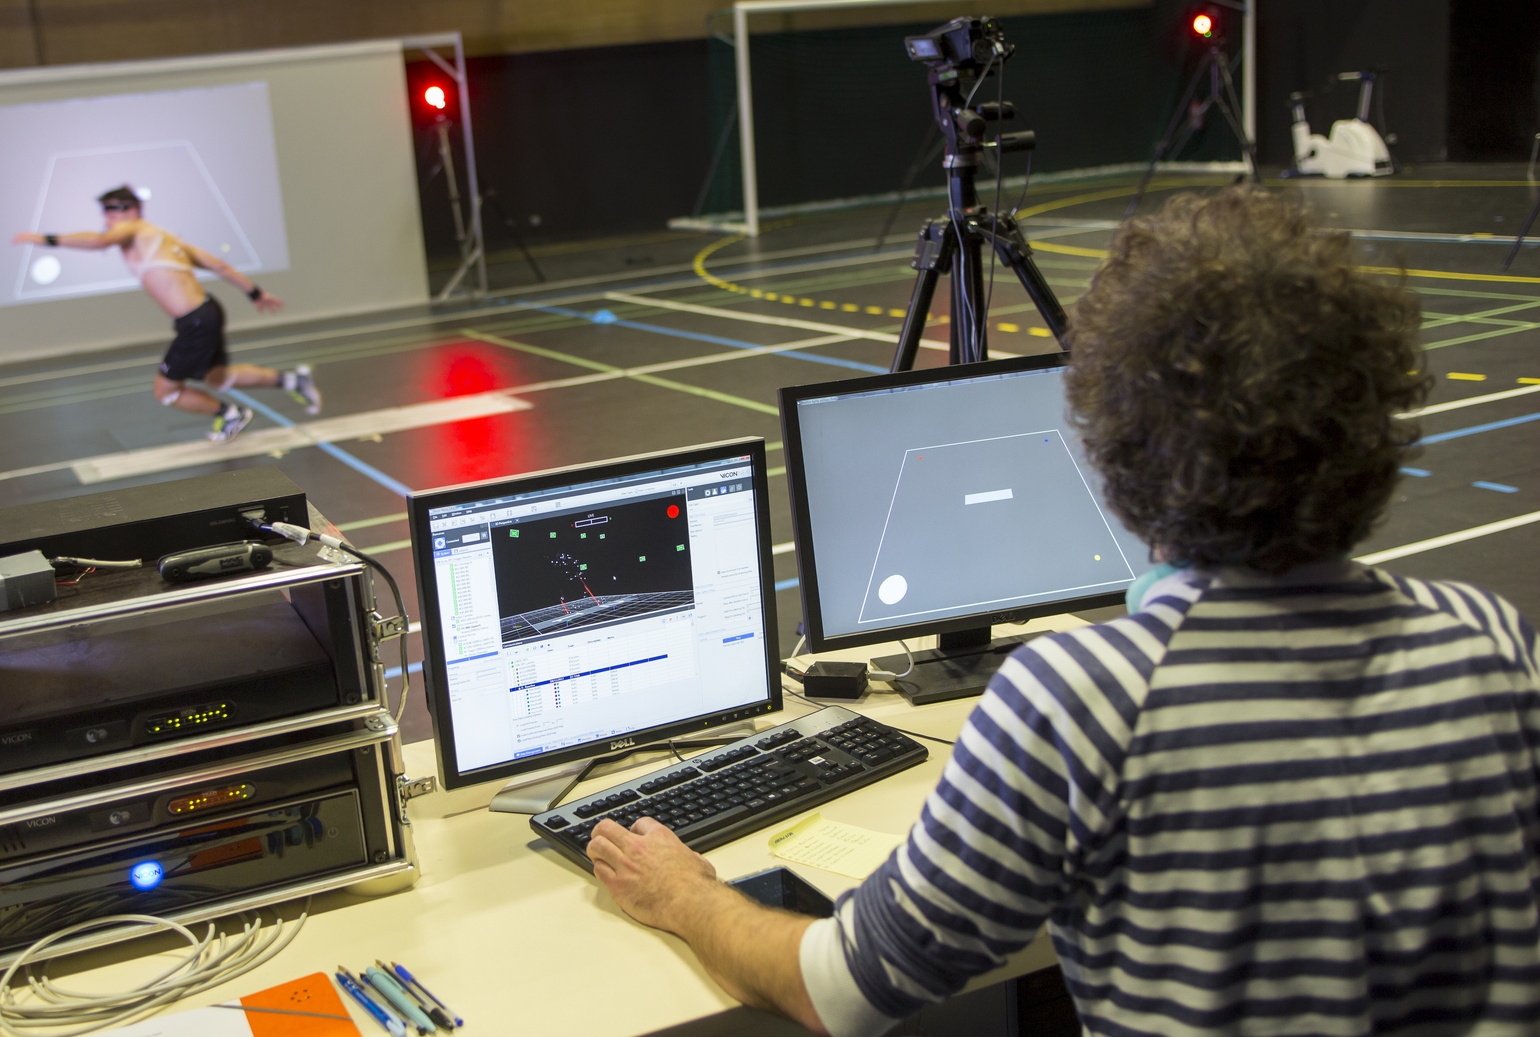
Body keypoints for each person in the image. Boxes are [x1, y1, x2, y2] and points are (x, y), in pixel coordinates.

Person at [588, 188, 1540, 1036]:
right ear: (1375, 427)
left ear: (1116, 452)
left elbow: (838, 989)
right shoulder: (1492, 642)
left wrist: (687, 894)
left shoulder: (1082, 700)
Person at [14, 186, 319, 442]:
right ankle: (294, 381)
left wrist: (45, 239)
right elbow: (219, 266)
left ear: (133, 210)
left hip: (196, 322)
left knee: (166, 392)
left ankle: (229, 414)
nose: (109, 217)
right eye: (105, 211)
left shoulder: (132, 229)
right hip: (206, 312)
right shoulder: (167, 239)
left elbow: (98, 242)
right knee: (218, 377)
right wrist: (255, 292)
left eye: (115, 209)